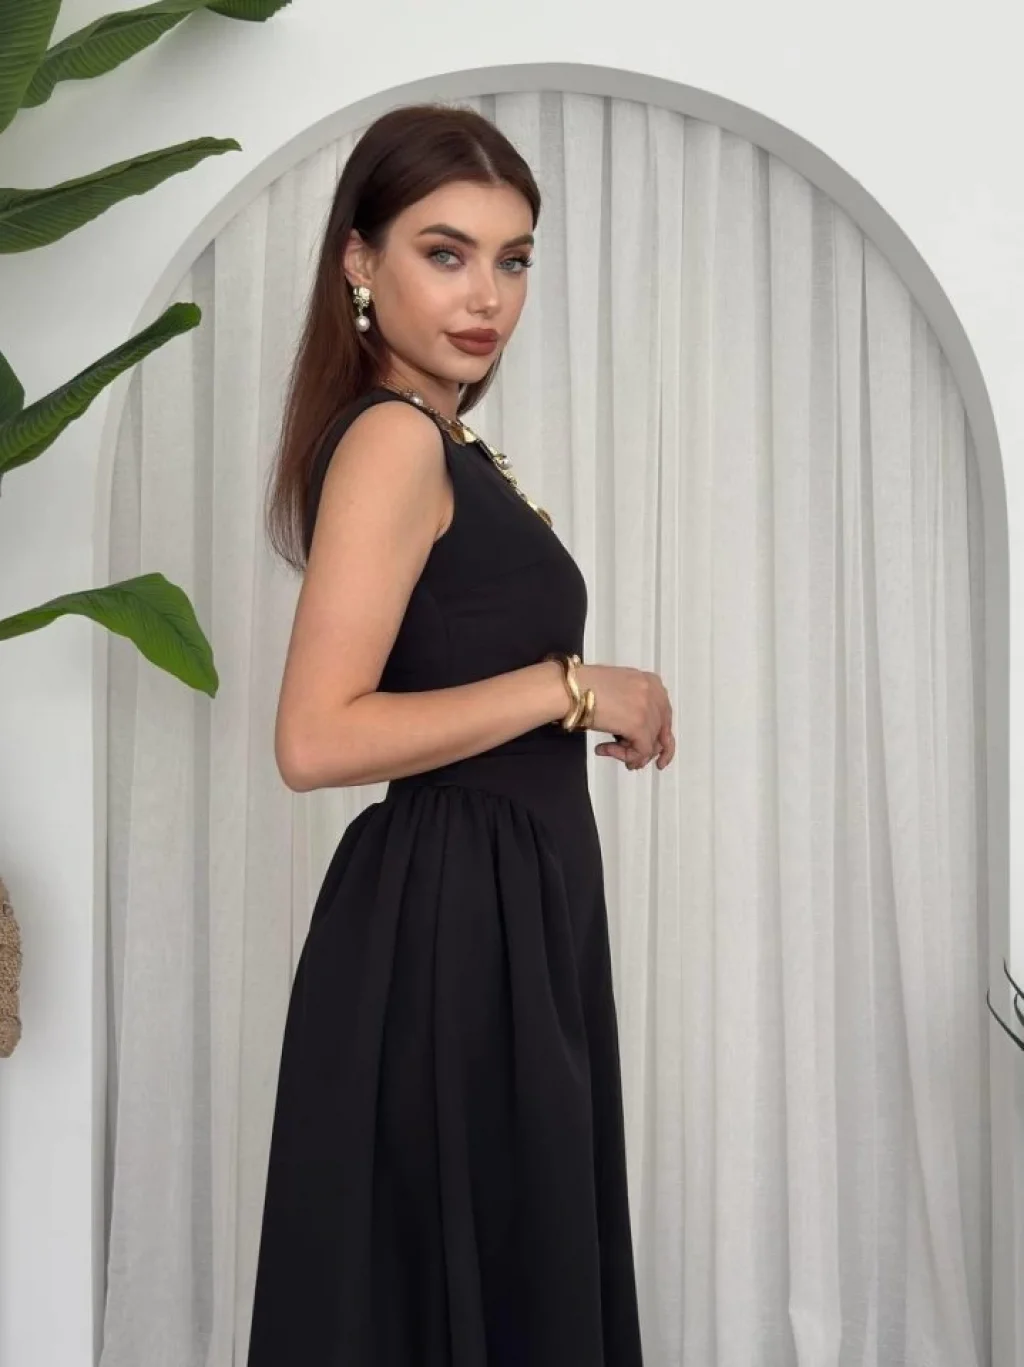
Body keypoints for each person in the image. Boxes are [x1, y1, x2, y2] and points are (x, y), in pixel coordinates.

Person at [248, 101, 675, 1367]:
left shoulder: (441, 439)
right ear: (359, 260)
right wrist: (567, 686)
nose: (487, 295)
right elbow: (314, 738)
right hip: (455, 927)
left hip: (498, 915)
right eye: (445, 253)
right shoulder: (393, 438)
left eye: (513, 258)